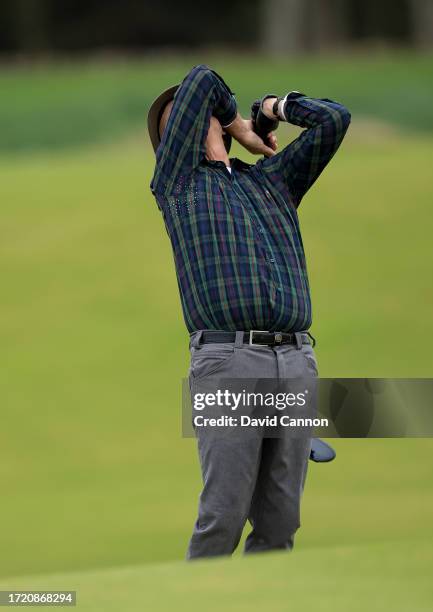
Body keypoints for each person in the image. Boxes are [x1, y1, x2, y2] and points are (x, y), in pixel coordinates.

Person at [147, 64, 351, 559]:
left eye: (195, 115)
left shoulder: (272, 182)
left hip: (296, 359)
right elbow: (201, 79)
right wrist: (240, 123)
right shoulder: (177, 184)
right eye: (174, 121)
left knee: (281, 520)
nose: (189, 119)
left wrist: (273, 109)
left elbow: (333, 120)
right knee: (225, 513)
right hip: (227, 361)